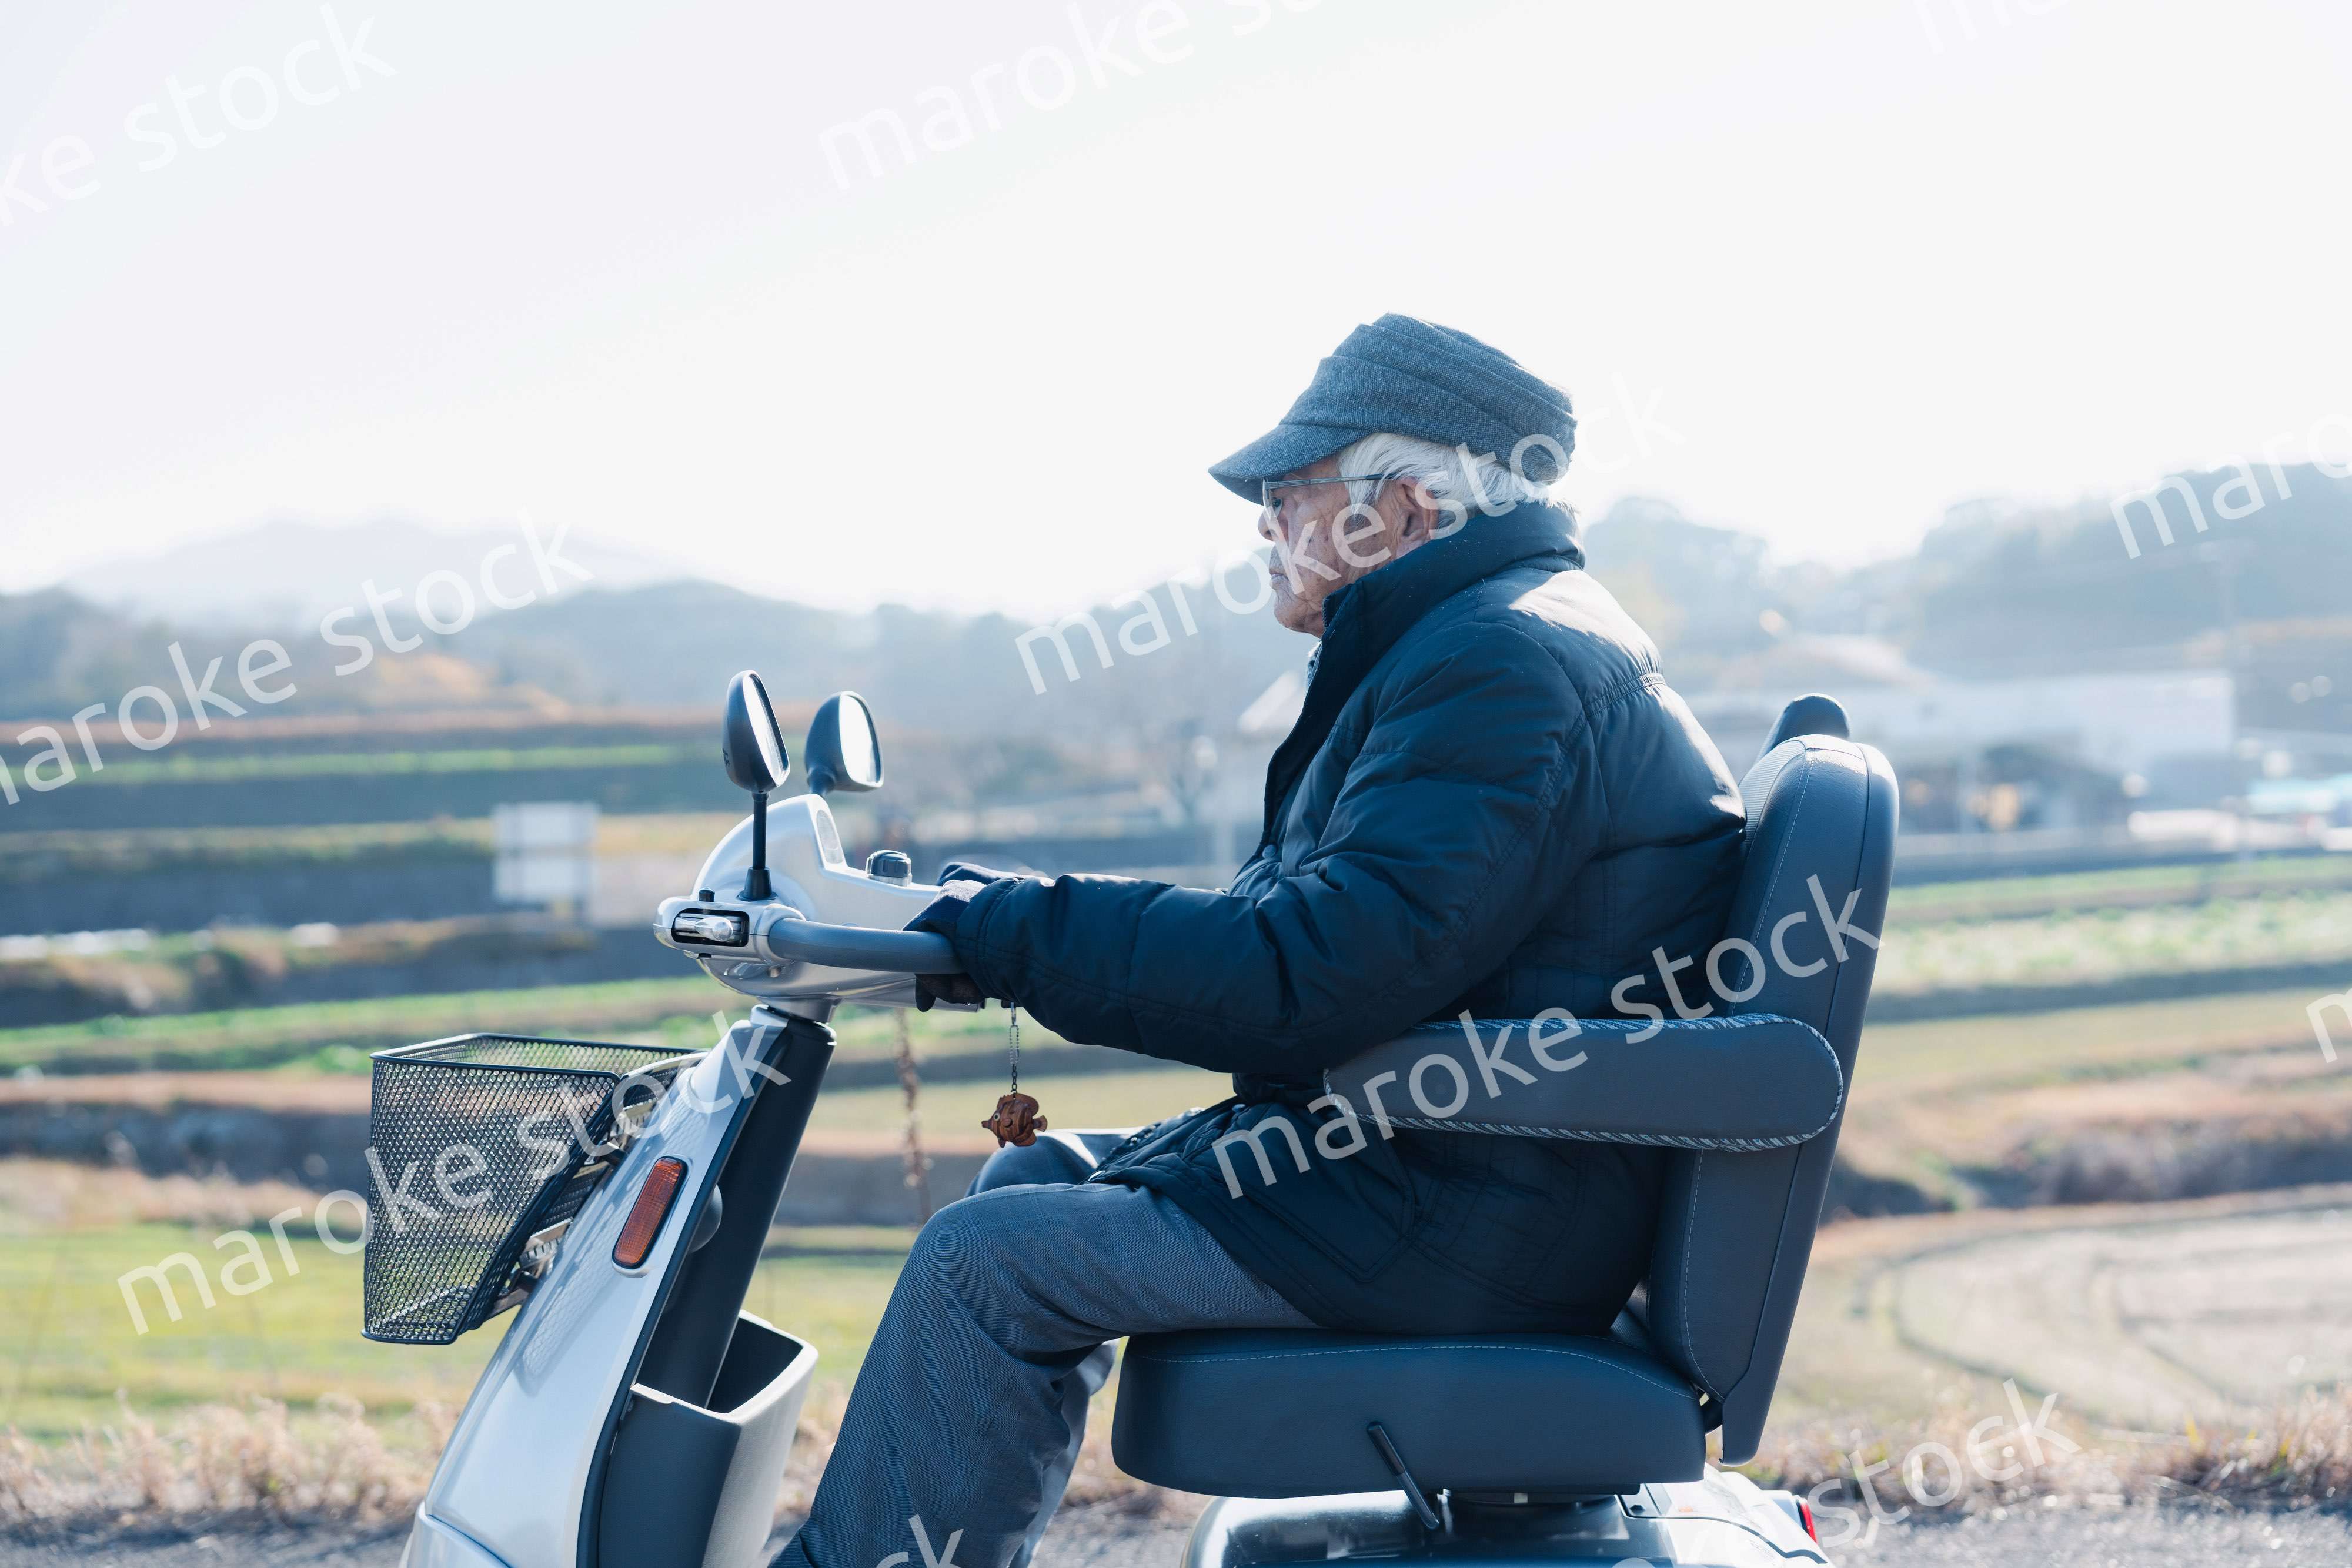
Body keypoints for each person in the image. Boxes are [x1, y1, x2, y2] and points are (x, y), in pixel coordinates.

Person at [772, 315, 1744, 1568]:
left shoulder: (1497, 663)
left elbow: (1307, 974)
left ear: (1396, 508)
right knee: (1030, 1180)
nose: (1263, 532)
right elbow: (1303, 935)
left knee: (988, 1259)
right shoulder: (1483, 641)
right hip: (1448, 1162)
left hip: (1462, 1200)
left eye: (1284, 497)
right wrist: (990, 915)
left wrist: (1004, 928)